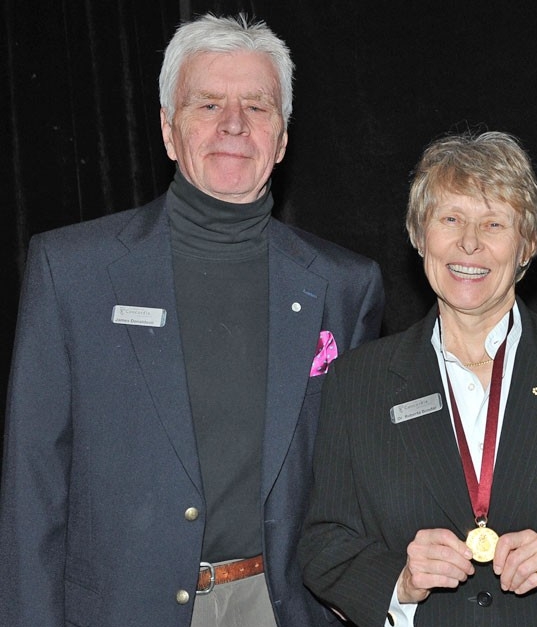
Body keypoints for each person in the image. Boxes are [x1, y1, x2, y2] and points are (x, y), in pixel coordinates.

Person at [0, 14, 384, 627]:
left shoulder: (345, 285)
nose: (234, 123)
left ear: (282, 138)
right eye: (208, 103)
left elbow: (359, 484)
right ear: (168, 130)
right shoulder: (70, 271)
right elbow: (33, 485)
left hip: (282, 608)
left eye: (257, 107)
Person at [300, 130, 537, 627]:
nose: (469, 242)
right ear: (419, 234)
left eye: (493, 223)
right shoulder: (358, 382)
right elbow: (323, 540)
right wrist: (398, 582)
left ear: (527, 243)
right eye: (450, 219)